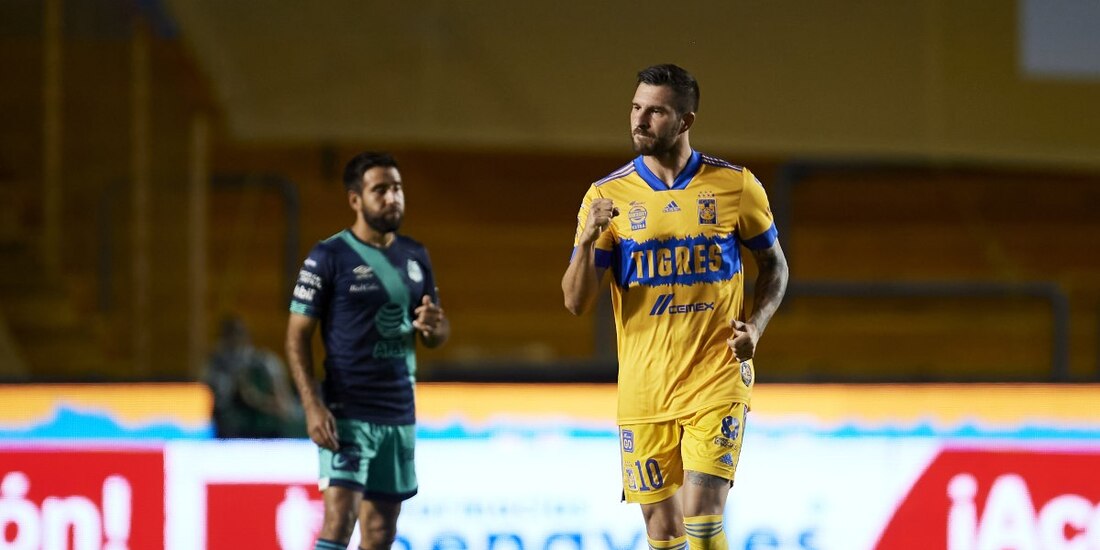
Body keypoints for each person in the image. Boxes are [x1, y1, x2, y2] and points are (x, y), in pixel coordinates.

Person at [561, 64, 789, 550]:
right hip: (645, 388)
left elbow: (775, 267)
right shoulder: (606, 197)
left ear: (685, 121)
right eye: (636, 108)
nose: (640, 121)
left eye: (656, 111)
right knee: (663, 533)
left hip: (716, 376)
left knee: (702, 519)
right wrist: (585, 241)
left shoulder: (735, 187)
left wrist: (756, 326)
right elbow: (576, 302)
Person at [285, 151, 449, 550]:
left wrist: (433, 327)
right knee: (339, 520)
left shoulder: (415, 255)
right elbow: (295, 337)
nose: (392, 197)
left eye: (397, 188)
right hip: (347, 411)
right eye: (381, 190)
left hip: (398, 410)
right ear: (355, 199)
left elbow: (436, 330)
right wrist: (312, 405)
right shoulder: (328, 257)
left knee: (380, 532)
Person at [204, 315, 305, 439]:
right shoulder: (216, 367)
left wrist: (262, 400)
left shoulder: (265, 362)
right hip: (234, 430)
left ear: (246, 337)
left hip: (268, 429)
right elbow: (214, 406)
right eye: (231, 336)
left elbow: (284, 402)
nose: (235, 340)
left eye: (239, 335)